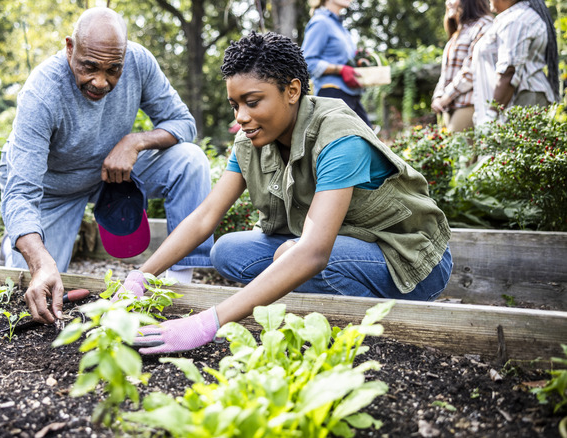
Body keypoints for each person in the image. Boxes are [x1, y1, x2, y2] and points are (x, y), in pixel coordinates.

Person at [123, 32, 453, 355]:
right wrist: (142, 275)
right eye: (235, 104)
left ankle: (379, 326)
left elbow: (313, 253)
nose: (241, 117)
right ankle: (318, 302)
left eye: (252, 102)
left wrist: (209, 322)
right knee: (227, 252)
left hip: (408, 260)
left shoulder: (338, 136)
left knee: (297, 258)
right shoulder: (251, 142)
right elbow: (205, 217)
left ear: (292, 90)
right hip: (344, 245)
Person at [0, 7, 213, 324]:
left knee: (190, 160)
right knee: (27, 290)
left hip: (113, 174)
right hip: (53, 189)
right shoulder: (41, 93)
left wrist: (134, 142)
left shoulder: (138, 61)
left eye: (114, 69)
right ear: (70, 48)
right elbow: (19, 193)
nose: (101, 81)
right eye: (90, 67)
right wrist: (39, 260)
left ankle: (181, 287)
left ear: (125, 56)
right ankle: (13, 252)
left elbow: (182, 123)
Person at [472, 0, 559, 127]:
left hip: (522, 100)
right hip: (517, 101)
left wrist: (491, 114)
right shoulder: (516, 17)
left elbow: (509, 71)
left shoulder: (516, 20)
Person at [301, 0, 372, 127]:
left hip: (351, 96)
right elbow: (307, 62)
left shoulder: (340, 27)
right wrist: (340, 69)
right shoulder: (321, 22)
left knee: (370, 142)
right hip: (332, 95)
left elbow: (343, 60)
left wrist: (358, 60)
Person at [431, 0, 493, 132]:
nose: (448, 3)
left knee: (458, 149)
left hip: (469, 103)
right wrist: (437, 96)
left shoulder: (483, 25)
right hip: (450, 105)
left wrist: (445, 98)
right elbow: (446, 73)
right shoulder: (457, 33)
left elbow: (471, 70)